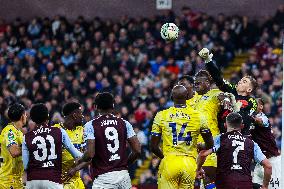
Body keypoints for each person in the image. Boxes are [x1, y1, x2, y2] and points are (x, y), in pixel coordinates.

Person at [150, 85, 213, 189]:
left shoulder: (161, 115)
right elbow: (210, 144)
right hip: (189, 164)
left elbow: (153, 147)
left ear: (171, 97)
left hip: (170, 161)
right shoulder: (198, 116)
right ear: (187, 96)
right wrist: (200, 146)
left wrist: (164, 158)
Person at [74, 92, 141, 189]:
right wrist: (125, 164)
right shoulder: (124, 123)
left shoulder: (90, 125)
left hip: (103, 178)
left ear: (96, 107)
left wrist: (79, 161)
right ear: (113, 105)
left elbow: (90, 154)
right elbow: (137, 151)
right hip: (123, 176)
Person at [197, 112, 272, 189]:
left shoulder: (221, 139)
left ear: (225, 125)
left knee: (208, 185)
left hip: (225, 184)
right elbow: (268, 166)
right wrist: (265, 186)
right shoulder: (251, 143)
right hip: (245, 184)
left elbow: (203, 154)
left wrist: (198, 169)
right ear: (242, 126)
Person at [199, 48, 258, 136]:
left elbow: (247, 120)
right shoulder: (231, 90)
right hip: (220, 134)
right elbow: (218, 78)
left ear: (249, 90)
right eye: (241, 80)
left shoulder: (252, 102)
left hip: (238, 137)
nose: (240, 81)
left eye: (244, 82)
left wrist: (237, 109)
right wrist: (208, 60)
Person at [22, 103, 82, 189]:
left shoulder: (26, 137)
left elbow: (25, 165)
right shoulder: (59, 131)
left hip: (33, 180)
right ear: (48, 116)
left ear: (33, 119)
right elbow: (76, 154)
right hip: (53, 179)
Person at [192, 70, 234, 189]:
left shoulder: (214, 93)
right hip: (197, 146)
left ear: (207, 82)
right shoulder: (196, 99)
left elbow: (223, 96)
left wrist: (225, 100)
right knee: (203, 182)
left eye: (198, 83)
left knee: (208, 177)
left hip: (210, 143)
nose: (196, 85)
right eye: (194, 83)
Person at [53, 102, 86, 189]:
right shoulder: (55, 130)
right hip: (58, 181)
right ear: (74, 115)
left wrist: (75, 169)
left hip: (76, 180)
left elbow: (89, 157)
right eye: (80, 113)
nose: (82, 116)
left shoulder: (82, 130)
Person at [251, 98, 281, 189]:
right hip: (259, 162)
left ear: (261, 106)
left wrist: (249, 116)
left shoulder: (264, 118)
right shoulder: (247, 120)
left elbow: (260, 121)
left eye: (255, 103)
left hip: (272, 161)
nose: (253, 105)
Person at [0, 103, 27, 188]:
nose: (26, 117)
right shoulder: (9, 131)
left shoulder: (18, 132)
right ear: (22, 116)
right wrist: (31, 144)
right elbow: (14, 151)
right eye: (25, 114)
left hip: (17, 181)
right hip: (7, 182)